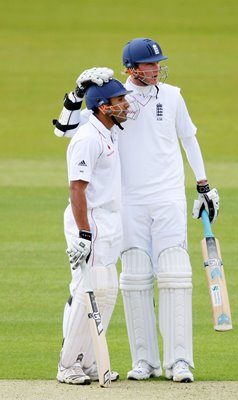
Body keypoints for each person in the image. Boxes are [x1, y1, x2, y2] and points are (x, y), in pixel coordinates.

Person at [53, 39, 219, 383]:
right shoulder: (111, 100)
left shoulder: (169, 96)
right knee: (134, 278)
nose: (156, 68)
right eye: (148, 64)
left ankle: (180, 362)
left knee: (175, 274)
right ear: (131, 68)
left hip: (169, 197)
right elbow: (65, 129)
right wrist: (77, 91)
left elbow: (189, 138)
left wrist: (203, 185)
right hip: (126, 204)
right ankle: (144, 361)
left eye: (158, 63)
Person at [56, 75, 134, 385]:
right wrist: (84, 233)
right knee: (87, 290)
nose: (125, 105)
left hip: (110, 219)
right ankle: (68, 364)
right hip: (91, 221)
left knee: (104, 292)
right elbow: (77, 189)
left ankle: (90, 361)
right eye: (119, 101)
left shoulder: (108, 129)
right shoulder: (88, 138)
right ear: (103, 107)